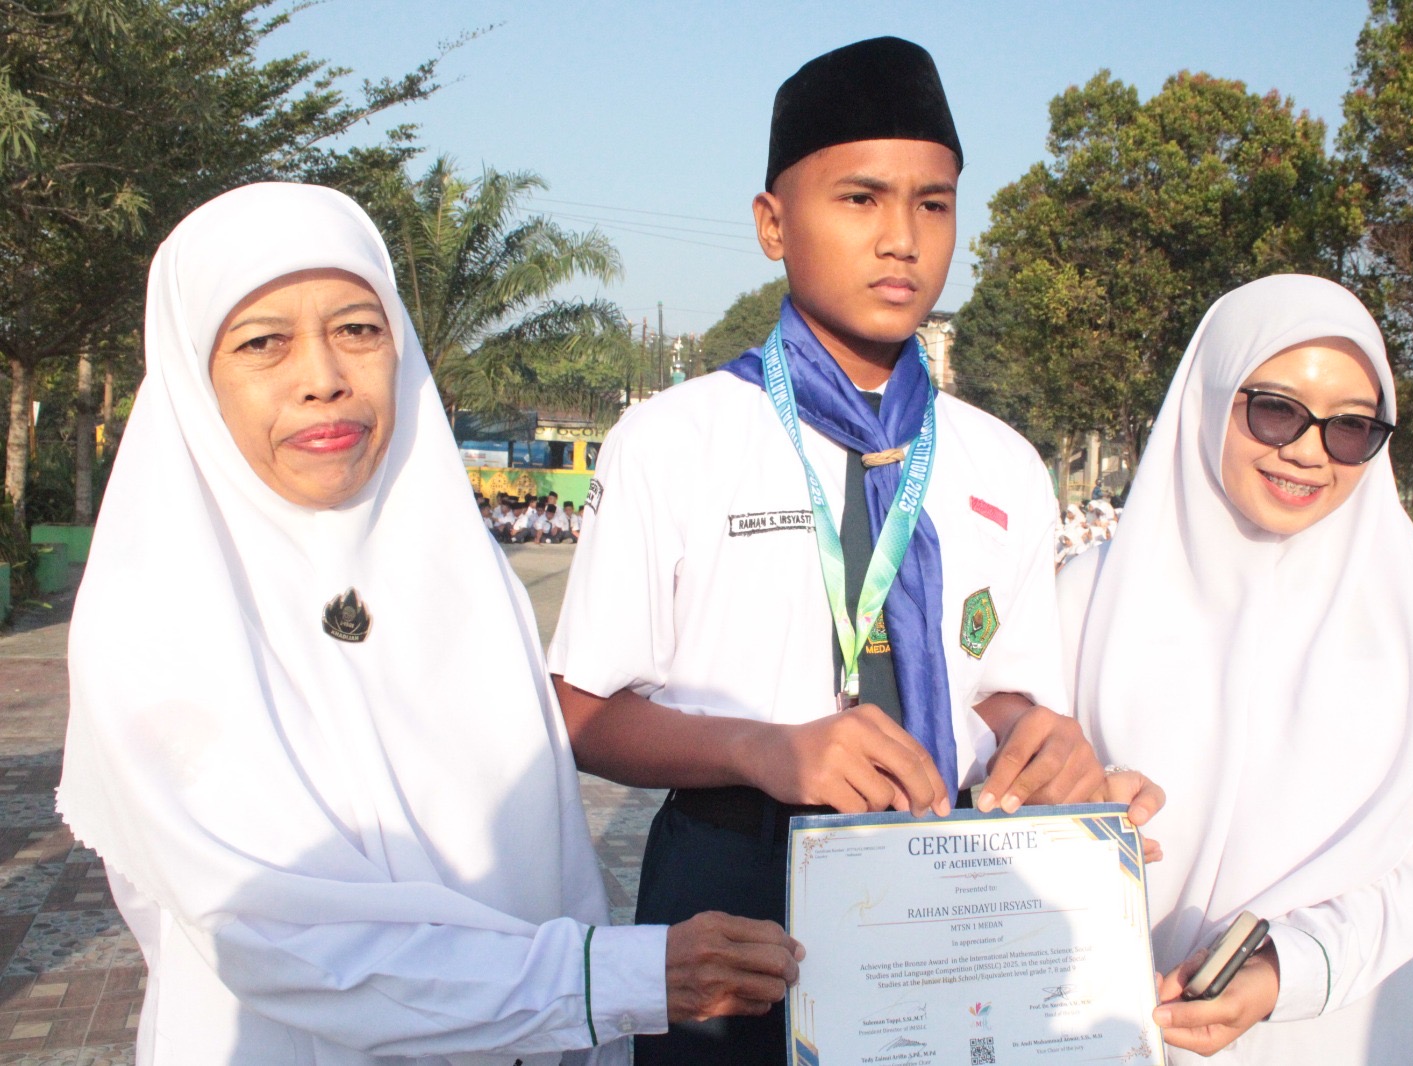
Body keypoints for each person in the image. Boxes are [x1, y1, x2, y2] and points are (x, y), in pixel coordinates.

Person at [57, 183, 801, 1064]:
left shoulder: (463, 579)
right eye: (263, 343)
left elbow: (550, 869)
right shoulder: (158, 616)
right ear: (195, 376)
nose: (323, 377)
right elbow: (280, 934)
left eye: (357, 330)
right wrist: (612, 980)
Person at [547, 37, 1159, 1066]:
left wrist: (1041, 737)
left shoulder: (1000, 462)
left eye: (933, 204)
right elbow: (579, 712)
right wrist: (762, 748)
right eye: (860, 199)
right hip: (735, 889)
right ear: (772, 223)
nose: (901, 240)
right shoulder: (676, 439)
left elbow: (1002, 691)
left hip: (947, 891)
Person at [1058, 274, 1413, 1063]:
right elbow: (1010, 794)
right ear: (1210, 399)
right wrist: (1074, 803)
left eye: (1351, 427)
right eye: (1277, 410)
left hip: (1336, 1033)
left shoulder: (1411, 617)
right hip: (1110, 1026)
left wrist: (1289, 970)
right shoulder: (1090, 597)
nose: (1310, 452)